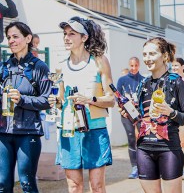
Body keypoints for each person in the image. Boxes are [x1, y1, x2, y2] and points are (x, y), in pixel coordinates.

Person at [49, 16, 115, 193]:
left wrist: (89, 100)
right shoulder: (60, 66)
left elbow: (112, 99)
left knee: (97, 186)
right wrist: (55, 101)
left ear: (84, 37)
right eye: (65, 33)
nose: (66, 38)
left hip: (94, 130)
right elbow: (60, 101)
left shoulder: (99, 61)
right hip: (68, 131)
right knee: (74, 186)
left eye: (72, 34)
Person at [133, 37, 184, 193]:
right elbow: (139, 119)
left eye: (152, 54)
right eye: (144, 54)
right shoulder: (142, 83)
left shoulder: (177, 82)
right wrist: (129, 113)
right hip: (144, 149)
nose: (147, 58)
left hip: (169, 149)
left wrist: (170, 112)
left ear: (165, 56)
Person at [0, 21, 51, 192]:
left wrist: (22, 99)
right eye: (9, 37)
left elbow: (46, 101)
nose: (11, 41)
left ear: (28, 38)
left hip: (28, 133)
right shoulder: (4, 67)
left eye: (15, 37)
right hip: (3, 133)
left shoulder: (39, 67)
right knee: (2, 183)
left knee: (27, 183)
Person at [116, 56, 144, 179]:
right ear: (129, 65)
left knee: (142, 140)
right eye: (131, 66)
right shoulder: (122, 80)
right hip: (126, 114)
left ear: (139, 65)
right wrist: (122, 110)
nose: (133, 68)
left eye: (136, 65)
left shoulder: (144, 80)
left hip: (139, 115)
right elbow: (117, 97)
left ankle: (144, 165)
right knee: (131, 138)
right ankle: (134, 167)